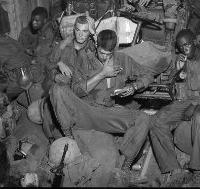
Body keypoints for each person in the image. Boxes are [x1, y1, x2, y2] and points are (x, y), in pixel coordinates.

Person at [46, 29, 153, 187]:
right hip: (86, 109)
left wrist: (134, 87)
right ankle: (69, 137)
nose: (105, 57)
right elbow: (76, 90)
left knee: (144, 119)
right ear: (96, 46)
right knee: (57, 89)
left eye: (109, 54)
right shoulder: (84, 58)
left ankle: (124, 169)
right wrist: (102, 74)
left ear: (115, 48)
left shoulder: (122, 59)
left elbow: (148, 75)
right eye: (102, 53)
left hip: (109, 112)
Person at [149, 29, 200, 187]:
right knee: (156, 121)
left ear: (195, 41)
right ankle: (173, 169)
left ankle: (199, 172)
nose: (184, 49)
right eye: (180, 47)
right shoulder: (183, 59)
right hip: (188, 100)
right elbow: (170, 88)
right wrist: (177, 72)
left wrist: (194, 105)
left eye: (187, 45)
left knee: (199, 116)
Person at [44, 15, 96, 86]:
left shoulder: (93, 47)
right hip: (64, 88)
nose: (80, 34)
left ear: (90, 32)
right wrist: (58, 64)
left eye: (85, 31)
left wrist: (94, 34)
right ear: (74, 29)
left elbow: (108, 56)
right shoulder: (63, 45)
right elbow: (47, 65)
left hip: (85, 89)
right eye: (78, 30)